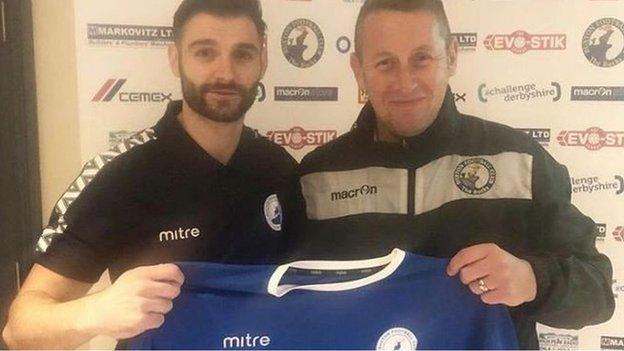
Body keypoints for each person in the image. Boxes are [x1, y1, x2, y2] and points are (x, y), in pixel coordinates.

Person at [288, 0, 615, 349]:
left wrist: (532, 279)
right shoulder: (317, 177)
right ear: (358, 69)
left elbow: (597, 292)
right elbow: (285, 304)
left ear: (452, 56)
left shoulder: (520, 159)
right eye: (385, 63)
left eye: (422, 58)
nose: (405, 82)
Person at [2, 0, 296, 348]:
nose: (225, 73)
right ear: (175, 58)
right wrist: (98, 311)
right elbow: (19, 331)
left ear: (262, 60)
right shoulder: (121, 177)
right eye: (205, 53)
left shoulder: (279, 167)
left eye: (243, 55)